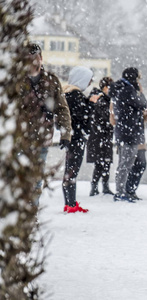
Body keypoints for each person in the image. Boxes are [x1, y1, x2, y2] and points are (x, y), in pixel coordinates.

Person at [20, 43, 72, 206]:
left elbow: (62, 108)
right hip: (20, 138)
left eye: (35, 59)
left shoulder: (51, 80)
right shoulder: (17, 81)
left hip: (42, 138)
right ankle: (18, 212)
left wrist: (65, 134)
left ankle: (30, 212)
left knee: (36, 178)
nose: (33, 63)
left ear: (41, 59)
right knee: (19, 177)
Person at [109, 67, 147, 202]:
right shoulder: (128, 90)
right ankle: (120, 193)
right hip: (130, 132)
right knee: (126, 163)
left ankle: (122, 191)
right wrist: (140, 93)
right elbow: (142, 104)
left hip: (123, 131)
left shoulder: (119, 88)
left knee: (124, 163)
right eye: (137, 78)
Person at [62, 66, 94, 213]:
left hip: (72, 137)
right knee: (72, 171)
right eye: (89, 80)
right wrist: (91, 104)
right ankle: (70, 205)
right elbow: (81, 118)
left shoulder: (69, 94)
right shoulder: (75, 95)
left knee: (70, 170)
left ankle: (70, 203)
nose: (90, 83)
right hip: (77, 138)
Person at [87, 77, 115, 196]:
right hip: (99, 136)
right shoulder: (100, 100)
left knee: (106, 162)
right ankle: (95, 186)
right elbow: (105, 117)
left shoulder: (104, 99)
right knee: (100, 163)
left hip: (103, 136)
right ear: (104, 88)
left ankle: (104, 186)